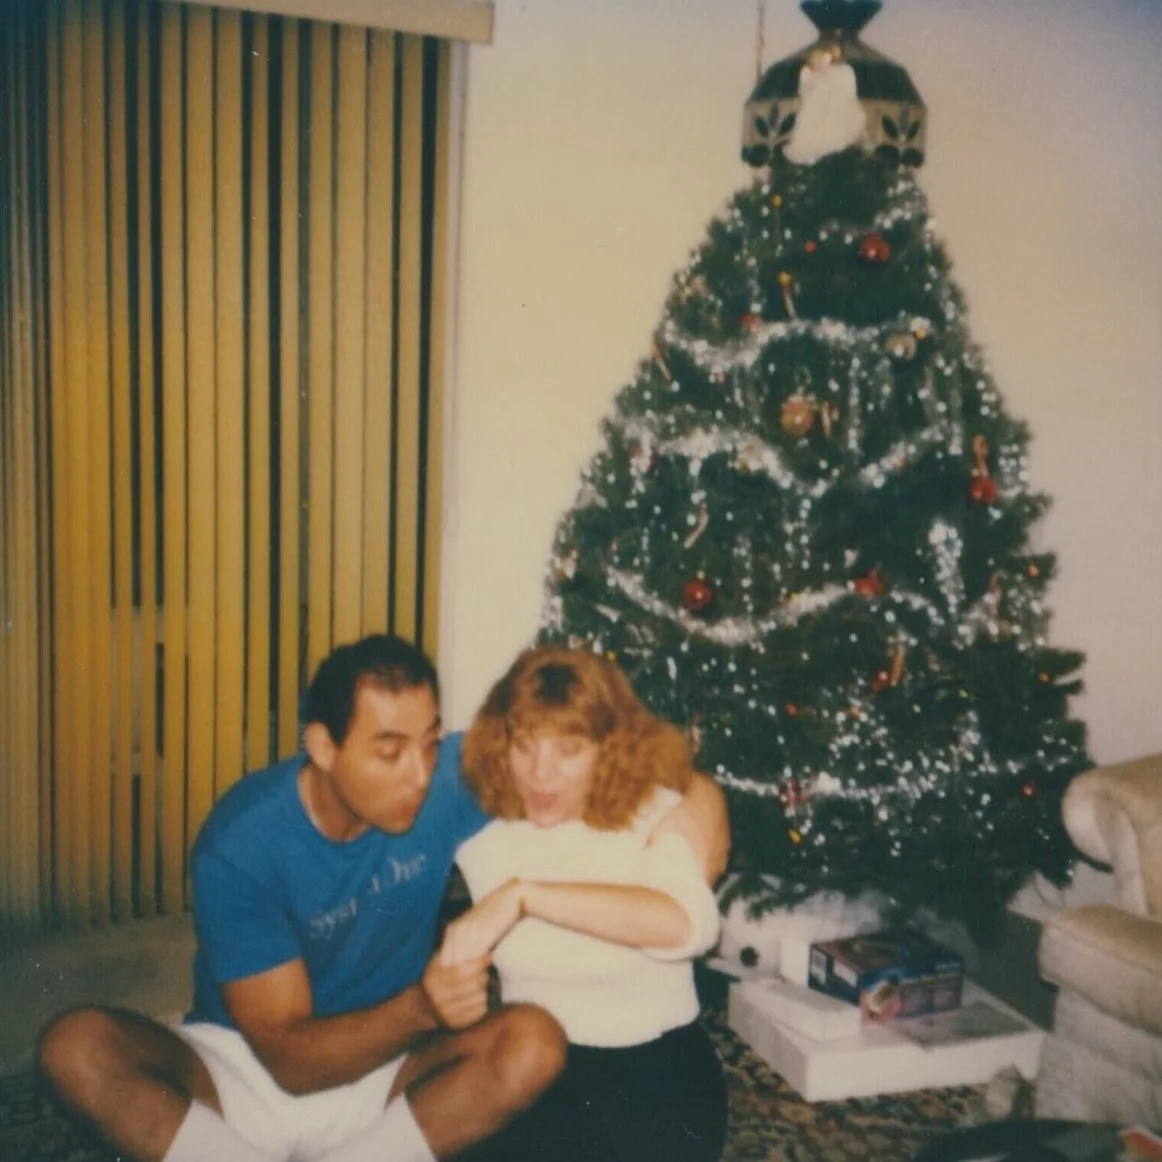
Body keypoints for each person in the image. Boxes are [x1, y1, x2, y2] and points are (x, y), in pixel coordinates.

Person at [37, 633, 729, 1162]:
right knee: (76, 1045)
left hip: (393, 1074)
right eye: (390, 751)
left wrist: (701, 806)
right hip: (245, 1065)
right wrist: (424, 1005)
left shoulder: (453, 781)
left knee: (532, 1040)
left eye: (430, 744)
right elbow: (290, 1062)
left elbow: (629, 755)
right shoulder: (244, 840)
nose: (419, 776)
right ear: (324, 747)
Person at [443, 646, 729, 1162]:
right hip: (534, 1070)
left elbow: (687, 925)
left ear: (609, 747)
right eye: (524, 745)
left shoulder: (657, 812)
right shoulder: (481, 827)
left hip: (653, 1077)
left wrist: (524, 896)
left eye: (568, 749)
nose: (540, 774)